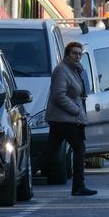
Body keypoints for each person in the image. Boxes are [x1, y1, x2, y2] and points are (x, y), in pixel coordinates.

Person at [44, 41, 97, 196]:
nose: (77, 56)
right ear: (67, 54)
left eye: (80, 54)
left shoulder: (75, 70)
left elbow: (83, 91)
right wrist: (75, 110)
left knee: (50, 152)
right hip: (65, 119)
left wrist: (82, 72)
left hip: (69, 119)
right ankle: (79, 186)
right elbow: (58, 94)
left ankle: (26, 176)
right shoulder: (61, 70)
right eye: (74, 53)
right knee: (79, 149)